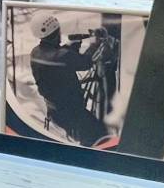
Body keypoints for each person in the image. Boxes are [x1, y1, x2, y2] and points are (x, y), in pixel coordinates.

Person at [26, 12, 111, 147]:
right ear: (57, 31)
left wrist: (74, 45)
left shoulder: (36, 52)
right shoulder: (62, 56)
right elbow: (85, 62)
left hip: (55, 111)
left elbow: (60, 58)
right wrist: (96, 42)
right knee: (100, 136)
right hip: (72, 114)